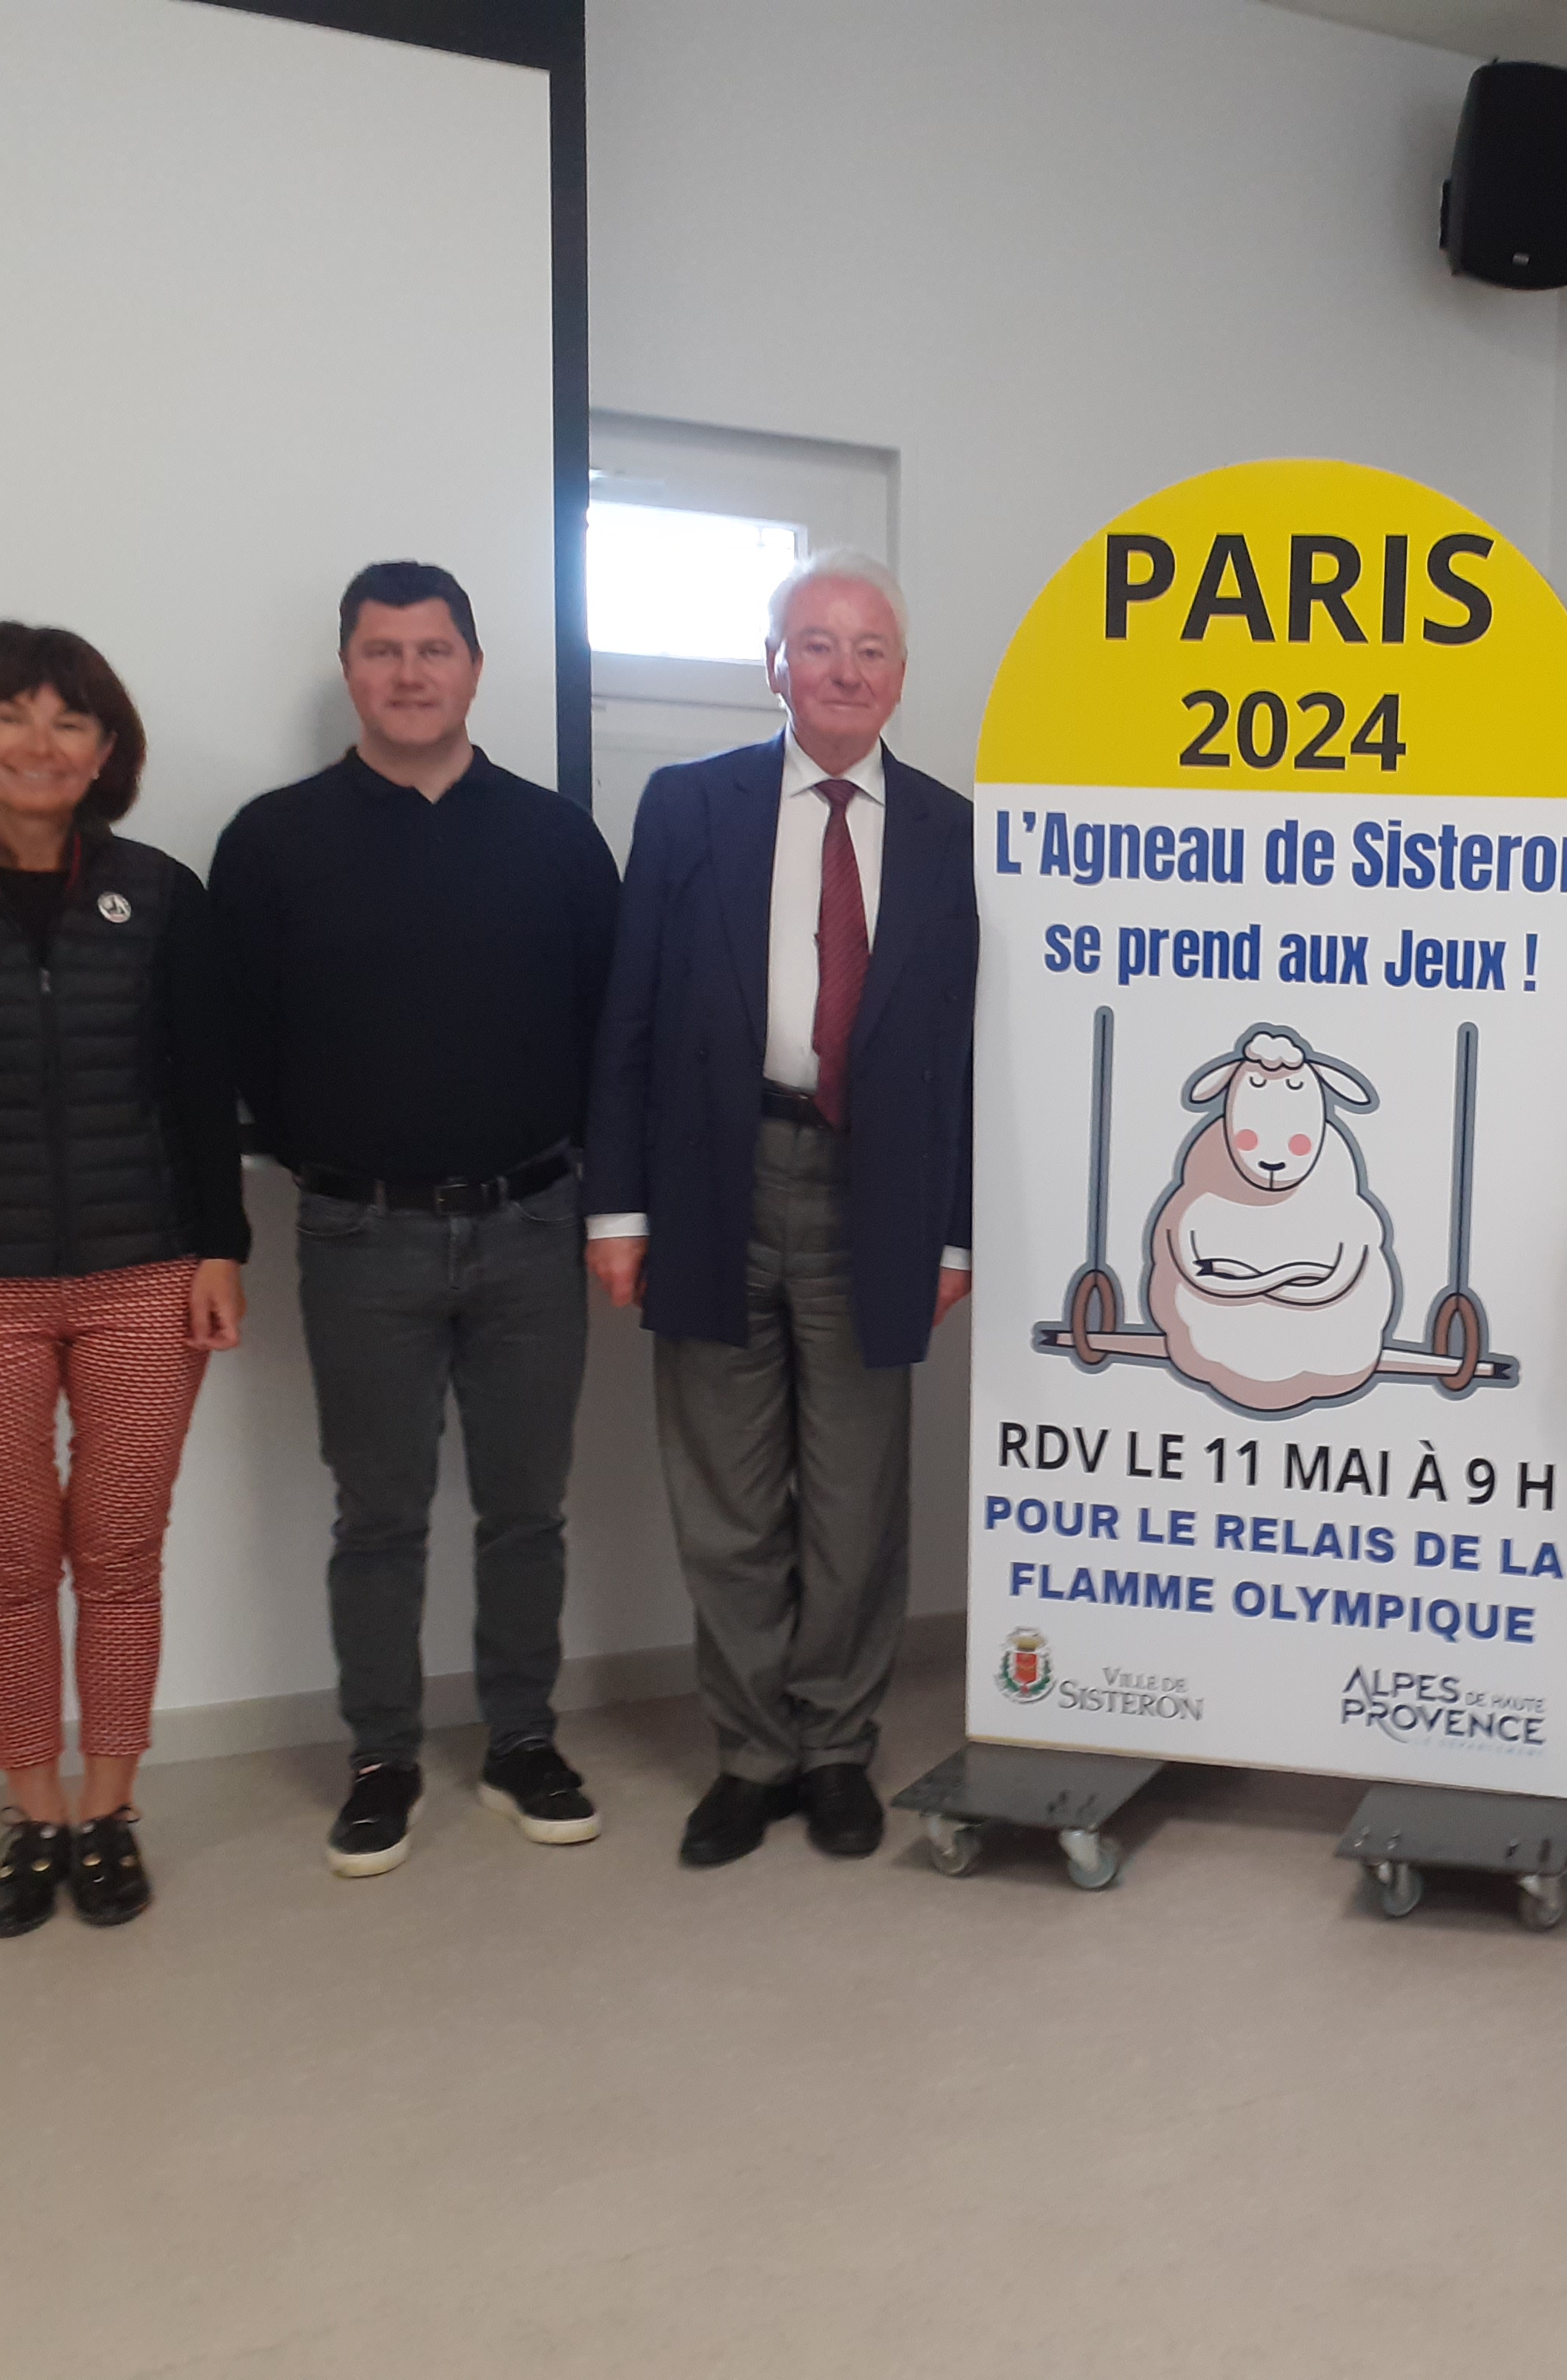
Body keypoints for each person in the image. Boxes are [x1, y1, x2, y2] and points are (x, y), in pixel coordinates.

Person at [211, 562, 622, 1880]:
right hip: (359, 1235)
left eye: (433, 649)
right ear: (351, 669)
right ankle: (382, 1754)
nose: (408, 673)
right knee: (376, 1516)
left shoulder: (559, 840)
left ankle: (519, 1742)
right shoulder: (272, 842)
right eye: (382, 650)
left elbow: (611, 1035)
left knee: (526, 1507)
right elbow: (243, 1051)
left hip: (531, 1224)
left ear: (476, 668)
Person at [0, 624, 247, 1936]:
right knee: (12, 1557)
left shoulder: (160, 893)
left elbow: (201, 1091)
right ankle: (32, 1814)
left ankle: (110, 1811)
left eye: (67, 720)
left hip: (145, 1279)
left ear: (107, 749)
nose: (37, 742)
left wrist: (220, 1251)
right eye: (7, 715)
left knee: (119, 1552)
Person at [584, 548, 974, 1869]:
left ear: (901, 678)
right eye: (817, 645)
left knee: (857, 1496)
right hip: (714, 1180)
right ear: (774, 665)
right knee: (728, 1496)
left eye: (870, 650)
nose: (845, 670)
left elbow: (964, 1051)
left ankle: (838, 1746)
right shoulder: (688, 808)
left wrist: (955, 1230)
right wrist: (616, 1215)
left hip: (877, 1194)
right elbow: (627, 1020)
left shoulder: (949, 829)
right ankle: (750, 1754)